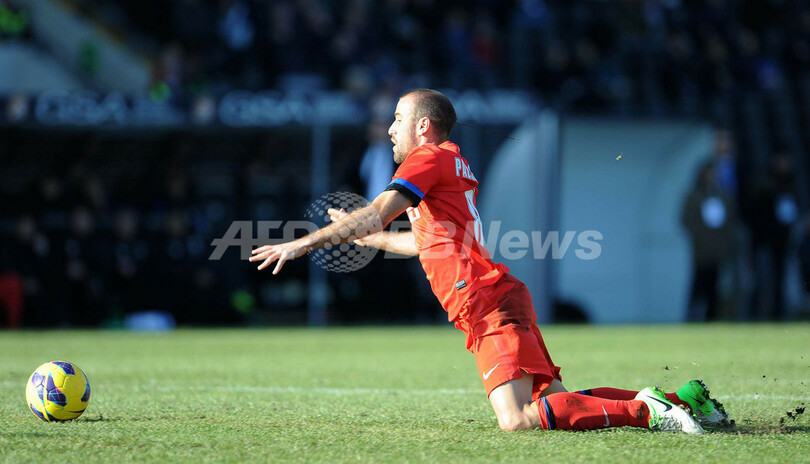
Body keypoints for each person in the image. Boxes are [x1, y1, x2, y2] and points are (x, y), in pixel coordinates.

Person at [250, 89, 730, 433]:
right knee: (551, 402)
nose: (391, 129)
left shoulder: (426, 158)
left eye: (397, 118)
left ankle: (649, 413)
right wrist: (371, 239)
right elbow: (423, 242)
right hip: (496, 294)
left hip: (483, 301)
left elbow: (377, 212)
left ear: (423, 125)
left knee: (516, 420)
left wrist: (303, 243)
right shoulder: (450, 162)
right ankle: (681, 401)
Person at [681, 161, 738, 321]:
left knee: (714, 287)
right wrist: (699, 234)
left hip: (717, 251)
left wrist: (726, 243)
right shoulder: (694, 196)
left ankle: (711, 318)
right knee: (699, 286)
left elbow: (729, 222)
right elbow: (686, 220)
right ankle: (693, 318)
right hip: (701, 251)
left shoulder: (722, 196)